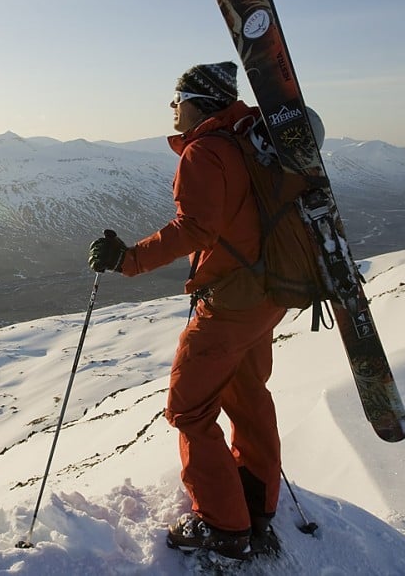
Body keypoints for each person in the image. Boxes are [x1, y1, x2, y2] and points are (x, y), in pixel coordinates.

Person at [87, 62, 287, 560]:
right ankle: (255, 505)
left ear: (198, 102)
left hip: (231, 301)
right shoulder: (250, 141)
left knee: (189, 408)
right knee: (247, 397)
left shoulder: (205, 151)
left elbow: (195, 228)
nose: (173, 109)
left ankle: (223, 527)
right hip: (270, 293)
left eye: (177, 100)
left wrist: (128, 259)